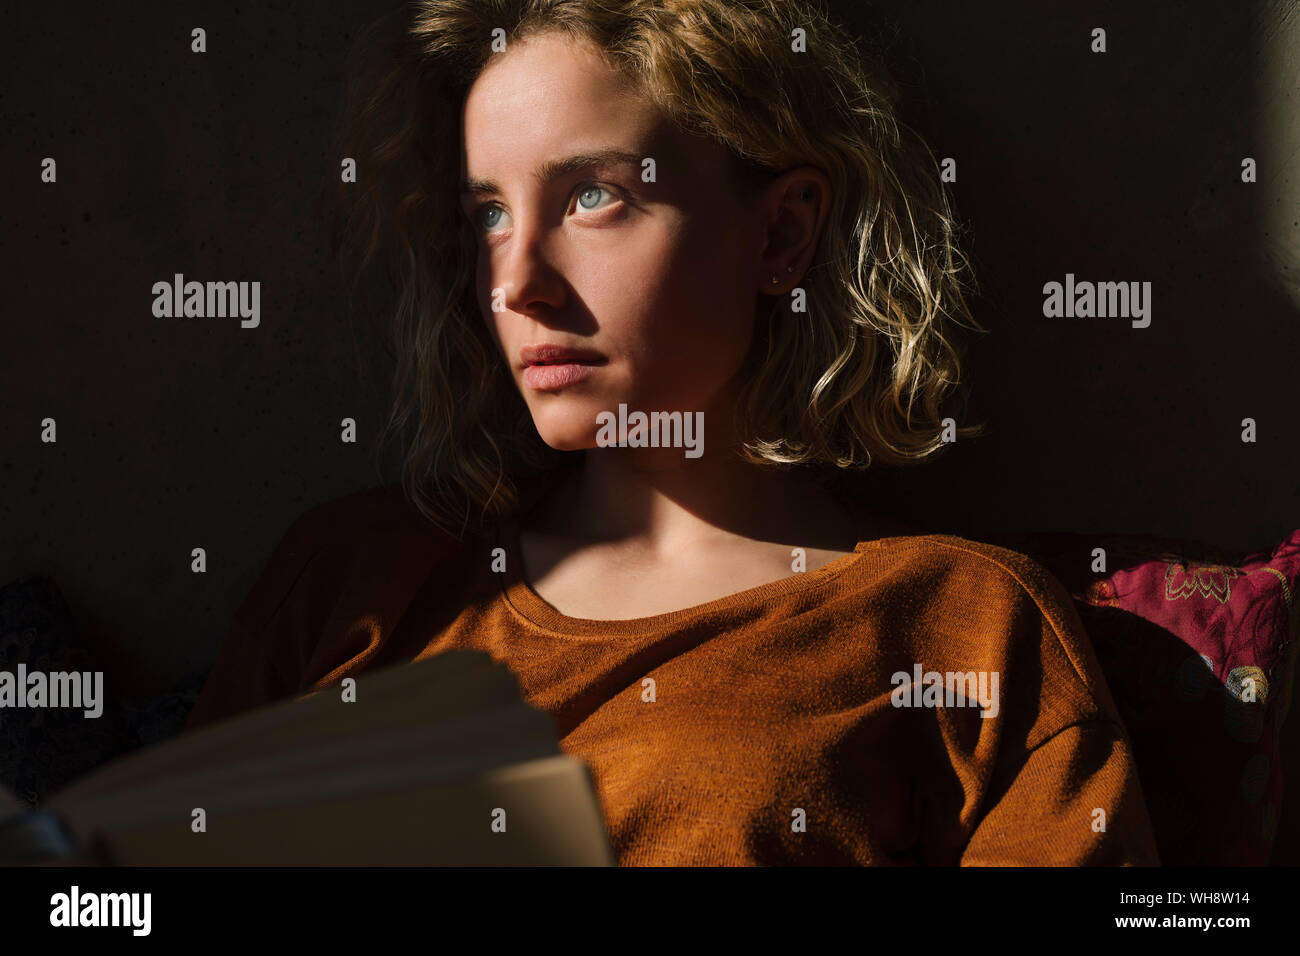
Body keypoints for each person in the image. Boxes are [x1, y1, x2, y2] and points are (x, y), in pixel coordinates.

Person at [185, 0, 1160, 866]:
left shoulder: (960, 623)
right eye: (488, 213)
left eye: (592, 195)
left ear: (779, 235)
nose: (515, 279)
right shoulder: (351, 581)